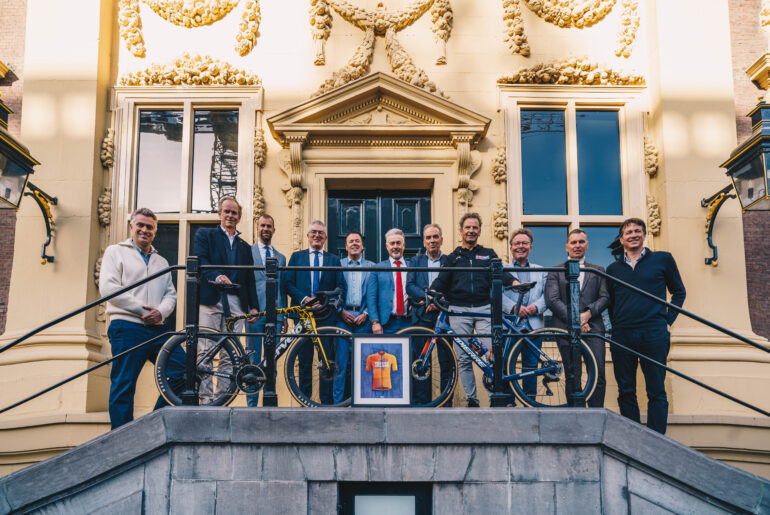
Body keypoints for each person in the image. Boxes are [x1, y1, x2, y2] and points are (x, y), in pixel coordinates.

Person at [99, 207, 185, 429]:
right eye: (140, 225)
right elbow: (108, 288)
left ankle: (153, 423)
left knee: (185, 370)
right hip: (126, 326)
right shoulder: (115, 252)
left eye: (150, 227)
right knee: (124, 383)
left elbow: (170, 294)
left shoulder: (161, 262)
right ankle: (122, 435)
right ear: (131, 226)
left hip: (158, 329)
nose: (145, 230)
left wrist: (161, 312)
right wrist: (142, 311)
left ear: (155, 231)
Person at [607, 218, 686, 434]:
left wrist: (668, 321)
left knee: (656, 389)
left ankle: (655, 437)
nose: (633, 235)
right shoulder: (613, 269)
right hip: (622, 334)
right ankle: (633, 437)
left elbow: (679, 292)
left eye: (637, 231)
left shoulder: (663, 259)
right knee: (626, 390)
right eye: (628, 232)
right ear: (621, 239)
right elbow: (611, 302)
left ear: (644, 235)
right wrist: (616, 325)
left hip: (654, 333)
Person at [430, 213, 515, 407]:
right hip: (458, 311)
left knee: (492, 355)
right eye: (467, 227)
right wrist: (431, 294)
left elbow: (501, 273)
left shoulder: (488, 253)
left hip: (484, 309)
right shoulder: (452, 257)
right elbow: (442, 280)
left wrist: (515, 282)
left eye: (475, 227)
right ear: (461, 231)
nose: (471, 231)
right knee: (463, 358)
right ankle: (472, 400)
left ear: (479, 231)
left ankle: (496, 397)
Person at [193, 197, 259, 404]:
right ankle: (205, 400)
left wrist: (254, 306)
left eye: (234, 213)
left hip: (237, 301)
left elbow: (250, 278)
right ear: (219, 213)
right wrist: (216, 276)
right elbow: (201, 260)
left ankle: (221, 401)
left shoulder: (245, 247)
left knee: (230, 354)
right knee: (205, 350)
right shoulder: (205, 235)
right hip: (211, 299)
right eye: (227, 212)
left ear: (239, 217)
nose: (230, 215)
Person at [544, 228, 610, 407]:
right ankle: (576, 414)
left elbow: (605, 298)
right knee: (573, 375)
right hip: (564, 329)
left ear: (587, 245)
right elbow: (552, 300)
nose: (577, 245)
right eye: (573, 242)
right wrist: (576, 320)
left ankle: (596, 415)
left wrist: (587, 315)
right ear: (567, 246)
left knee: (598, 374)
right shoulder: (555, 271)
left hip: (593, 328)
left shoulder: (598, 270)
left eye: (581, 242)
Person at [284, 220, 347, 404]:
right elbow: (288, 283)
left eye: (320, 233)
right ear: (308, 235)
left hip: (326, 317)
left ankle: (325, 404)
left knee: (326, 362)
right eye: (313, 232)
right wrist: (305, 299)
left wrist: (327, 302)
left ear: (325, 237)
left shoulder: (334, 260)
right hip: (303, 315)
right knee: (304, 362)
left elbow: (341, 287)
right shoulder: (297, 257)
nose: (317, 235)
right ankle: (305, 402)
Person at [406, 223, 452, 406]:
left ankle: (446, 403)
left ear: (441, 239)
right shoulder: (415, 261)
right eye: (428, 238)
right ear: (424, 242)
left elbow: (454, 285)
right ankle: (421, 403)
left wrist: (438, 301)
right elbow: (410, 286)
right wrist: (427, 299)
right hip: (421, 315)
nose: (432, 241)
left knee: (446, 360)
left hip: (444, 316)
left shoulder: (449, 261)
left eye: (435, 237)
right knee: (421, 360)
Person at [245, 214, 287, 407]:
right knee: (253, 361)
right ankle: (251, 406)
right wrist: (247, 309)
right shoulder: (248, 252)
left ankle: (269, 403)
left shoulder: (281, 257)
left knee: (272, 361)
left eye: (269, 226)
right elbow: (245, 283)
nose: (265, 229)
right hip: (254, 314)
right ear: (257, 228)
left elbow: (282, 288)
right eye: (262, 225)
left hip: (275, 316)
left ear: (274, 230)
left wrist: (284, 315)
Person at [503, 228, 547, 403]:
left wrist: (535, 307)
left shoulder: (541, 270)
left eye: (524, 243)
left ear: (530, 247)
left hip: (533, 325)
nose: (520, 246)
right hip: (509, 325)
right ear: (511, 247)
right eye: (517, 243)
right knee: (506, 366)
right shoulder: (502, 269)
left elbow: (547, 295)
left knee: (531, 368)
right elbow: (495, 294)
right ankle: (508, 404)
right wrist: (514, 307)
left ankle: (530, 404)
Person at [335, 230, 375, 403]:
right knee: (340, 364)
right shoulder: (338, 265)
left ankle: (363, 403)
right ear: (346, 246)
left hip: (363, 320)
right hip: (342, 318)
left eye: (357, 241)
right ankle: (338, 404)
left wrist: (366, 313)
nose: (354, 244)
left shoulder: (372, 267)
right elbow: (333, 289)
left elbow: (375, 294)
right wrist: (340, 311)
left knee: (364, 364)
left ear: (362, 246)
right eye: (351, 241)